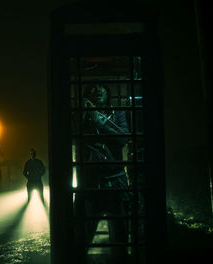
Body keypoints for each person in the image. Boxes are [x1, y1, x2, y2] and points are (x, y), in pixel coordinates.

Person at [76, 83, 130, 262]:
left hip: (115, 179)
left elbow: (123, 138)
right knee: (84, 233)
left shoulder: (117, 113)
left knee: (120, 231)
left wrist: (99, 120)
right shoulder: (81, 117)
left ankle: (122, 259)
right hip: (91, 181)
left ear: (108, 92)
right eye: (93, 88)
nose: (97, 90)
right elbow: (72, 136)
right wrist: (85, 115)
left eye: (101, 87)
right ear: (87, 96)